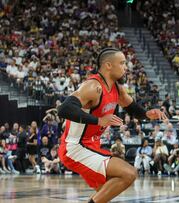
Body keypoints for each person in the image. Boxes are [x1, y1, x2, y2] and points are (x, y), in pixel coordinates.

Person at [57, 48, 166, 203]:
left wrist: (147, 114)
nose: (125, 67)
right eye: (122, 63)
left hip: (91, 145)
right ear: (108, 65)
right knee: (129, 173)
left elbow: (133, 109)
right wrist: (98, 121)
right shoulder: (93, 86)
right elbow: (64, 109)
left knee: (104, 192)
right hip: (75, 146)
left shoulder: (117, 89)